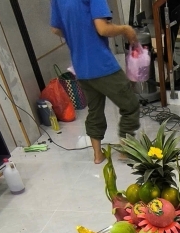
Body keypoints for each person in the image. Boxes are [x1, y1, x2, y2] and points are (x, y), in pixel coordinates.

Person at [50, 0, 140, 164]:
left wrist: (78, 35)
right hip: (102, 65)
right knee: (130, 105)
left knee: (94, 110)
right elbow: (103, 29)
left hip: (81, 68)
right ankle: (125, 151)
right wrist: (125, 29)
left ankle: (98, 155)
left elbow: (55, 29)